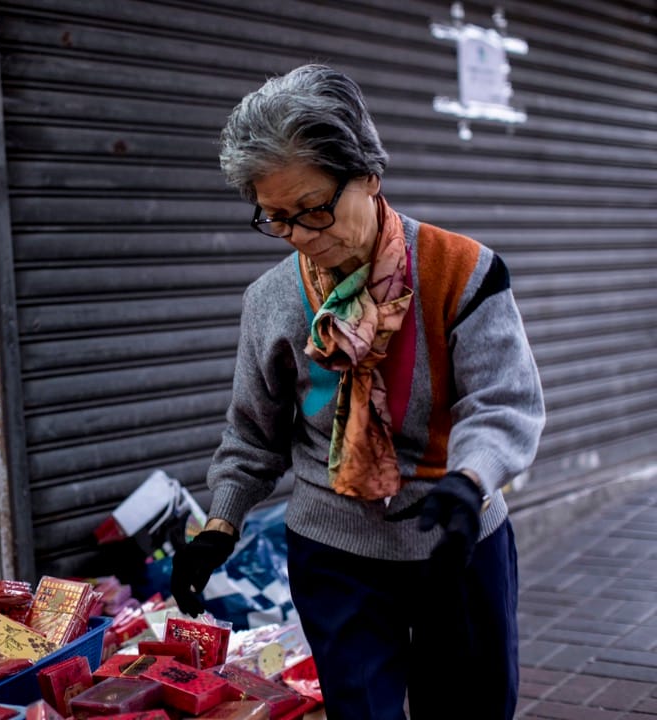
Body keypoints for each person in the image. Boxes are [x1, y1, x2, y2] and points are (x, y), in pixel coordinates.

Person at [170, 64, 545, 720]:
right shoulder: (271, 301)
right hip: (335, 551)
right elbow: (253, 435)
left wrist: (471, 479)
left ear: (369, 174)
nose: (301, 236)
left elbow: (502, 401)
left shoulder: (464, 271)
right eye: (277, 218)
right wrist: (219, 525)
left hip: (455, 537)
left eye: (315, 209)